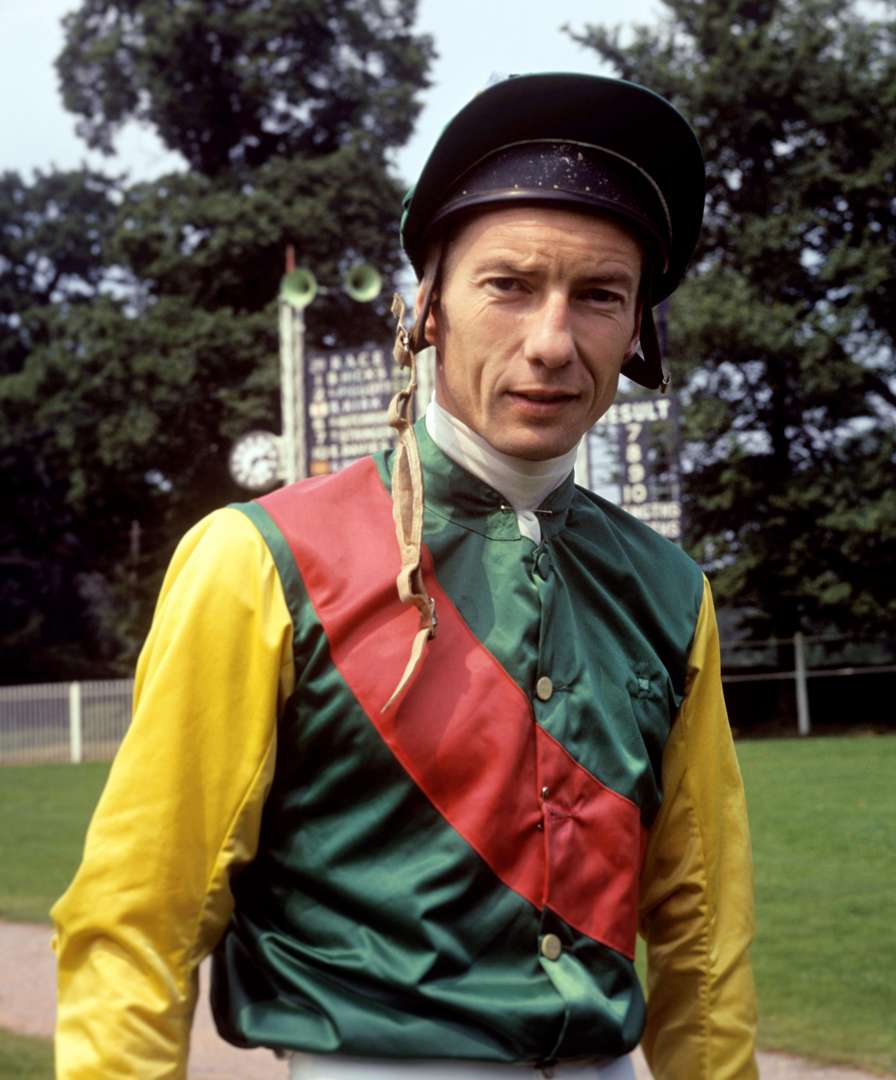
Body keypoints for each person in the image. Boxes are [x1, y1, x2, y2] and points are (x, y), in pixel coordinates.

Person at [52, 73, 758, 1079]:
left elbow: (702, 938)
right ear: (425, 307)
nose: (551, 343)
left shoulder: (671, 593)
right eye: (508, 285)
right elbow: (138, 918)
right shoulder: (258, 559)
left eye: (599, 296)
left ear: (638, 330)